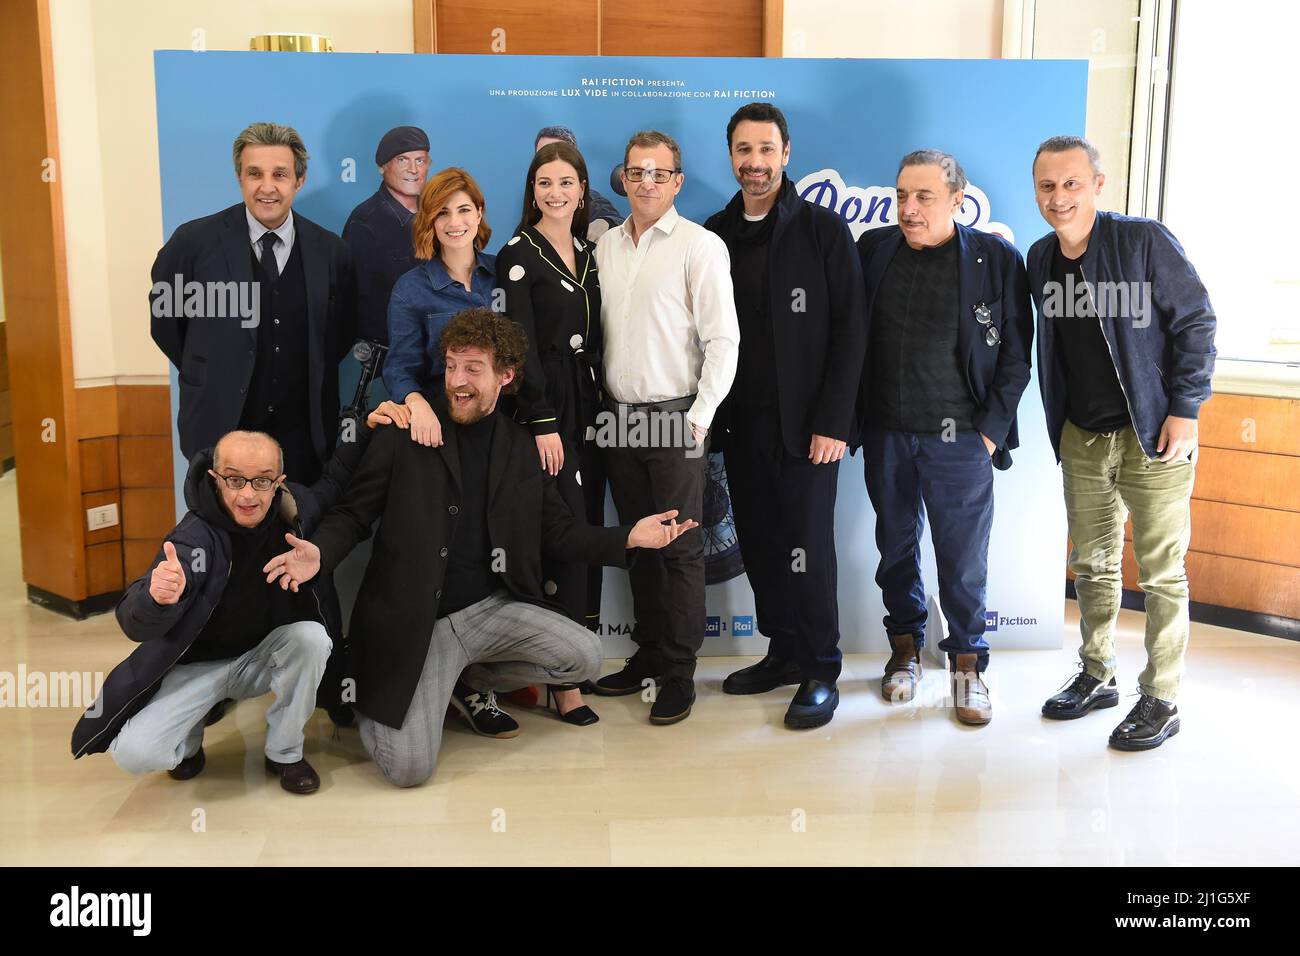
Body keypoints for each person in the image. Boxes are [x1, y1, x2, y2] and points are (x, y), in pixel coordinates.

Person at [263, 308, 698, 788]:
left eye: (472, 369)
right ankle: (383, 691)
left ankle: (470, 680)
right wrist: (319, 553)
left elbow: (559, 532)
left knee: (585, 655)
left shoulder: (519, 448)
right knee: (408, 771)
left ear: (505, 376)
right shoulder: (406, 433)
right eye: (451, 366)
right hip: (416, 625)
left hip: (490, 612)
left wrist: (631, 536)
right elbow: (351, 515)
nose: (457, 380)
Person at [69, 403, 402, 792]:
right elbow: (133, 620)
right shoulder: (192, 539)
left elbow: (335, 480)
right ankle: (189, 739)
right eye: (234, 479)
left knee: (313, 639)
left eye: (262, 481)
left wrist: (363, 428)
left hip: (258, 658)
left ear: (279, 482)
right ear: (214, 479)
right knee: (134, 755)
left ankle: (285, 753)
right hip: (195, 669)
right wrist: (158, 599)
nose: (248, 494)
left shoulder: (294, 512)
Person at [1029, 135, 1215, 751]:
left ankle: (1162, 696)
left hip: (1153, 434)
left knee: (1161, 572)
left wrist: (1185, 411)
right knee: (1091, 564)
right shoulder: (1039, 259)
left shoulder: (1142, 242)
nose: (1059, 198)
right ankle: (1097, 672)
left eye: (1071, 184)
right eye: (1048, 186)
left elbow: (1195, 322)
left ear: (1099, 185)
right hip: (1082, 437)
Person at [704, 103, 866, 729]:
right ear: (732, 158)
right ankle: (783, 652)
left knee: (808, 547)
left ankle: (822, 667)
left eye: (766, 150)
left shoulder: (824, 231)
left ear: (786, 154)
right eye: (744, 151)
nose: (755, 163)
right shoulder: (716, 233)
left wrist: (835, 422)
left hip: (808, 430)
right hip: (742, 425)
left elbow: (852, 332)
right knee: (765, 544)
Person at [857, 149, 1032, 726]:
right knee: (895, 550)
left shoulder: (994, 259)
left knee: (962, 561)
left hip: (961, 441)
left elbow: (1015, 354)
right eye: (901, 195)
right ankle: (904, 652)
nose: (908, 208)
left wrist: (989, 434)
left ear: (958, 200)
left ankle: (966, 667)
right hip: (887, 432)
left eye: (924, 197)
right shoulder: (874, 250)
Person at [591, 130, 740, 725]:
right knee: (638, 546)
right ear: (623, 180)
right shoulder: (605, 249)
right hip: (619, 421)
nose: (646, 182)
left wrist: (699, 420)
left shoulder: (699, 246)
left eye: (659, 173)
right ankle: (647, 655)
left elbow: (723, 341)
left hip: (677, 418)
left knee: (679, 548)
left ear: (676, 181)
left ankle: (678, 672)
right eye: (636, 172)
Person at [150, 122, 356, 486]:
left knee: (299, 539)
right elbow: (167, 323)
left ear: (299, 180)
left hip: (304, 439)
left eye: (280, 174)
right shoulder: (193, 243)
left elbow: (338, 335)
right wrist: (212, 368)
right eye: (254, 174)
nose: (267, 187)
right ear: (239, 178)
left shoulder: (330, 251)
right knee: (224, 541)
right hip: (219, 433)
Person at [495, 142, 607, 727]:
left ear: (582, 189)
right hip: (548, 410)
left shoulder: (591, 250)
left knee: (587, 527)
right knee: (560, 534)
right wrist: (542, 423)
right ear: (531, 189)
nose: (556, 193)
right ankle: (562, 683)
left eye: (566, 182)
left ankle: (581, 662)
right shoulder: (518, 255)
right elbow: (517, 347)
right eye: (545, 183)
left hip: (594, 404)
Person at [384, 167, 497, 452]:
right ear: (430, 220)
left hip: (504, 425)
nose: (454, 222)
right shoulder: (410, 289)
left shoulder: (505, 273)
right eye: (442, 213)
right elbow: (399, 369)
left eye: (463, 210)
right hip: (440, 424)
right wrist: (417, 404)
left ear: (479, 213)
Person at [340, 125, 432, 414]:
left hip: (436, 360)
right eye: (403, 160)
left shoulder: (439, 215)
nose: (413, 169)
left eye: (420, 160)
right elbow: (358, 305)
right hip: (384, 365)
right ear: (382, 167)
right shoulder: (365, 222)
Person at [534, 126, 623, 240]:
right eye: (542, 155)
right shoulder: (533, 208)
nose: (549, 162)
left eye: (559, 154)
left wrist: (605, 222)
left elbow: (618, 222)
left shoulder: (590, 200)